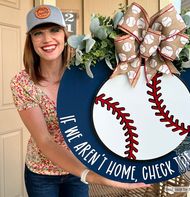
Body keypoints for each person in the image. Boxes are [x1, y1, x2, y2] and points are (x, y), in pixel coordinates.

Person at [10, 4, 148, 197]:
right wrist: (90, 175)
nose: (47, 39)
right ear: (30, 40)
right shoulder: (22, 82)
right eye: (38, 33)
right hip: (42, 173)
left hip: (80, 167)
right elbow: (45, 141)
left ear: (65, 35)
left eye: (54, 30)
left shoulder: (85, 71)